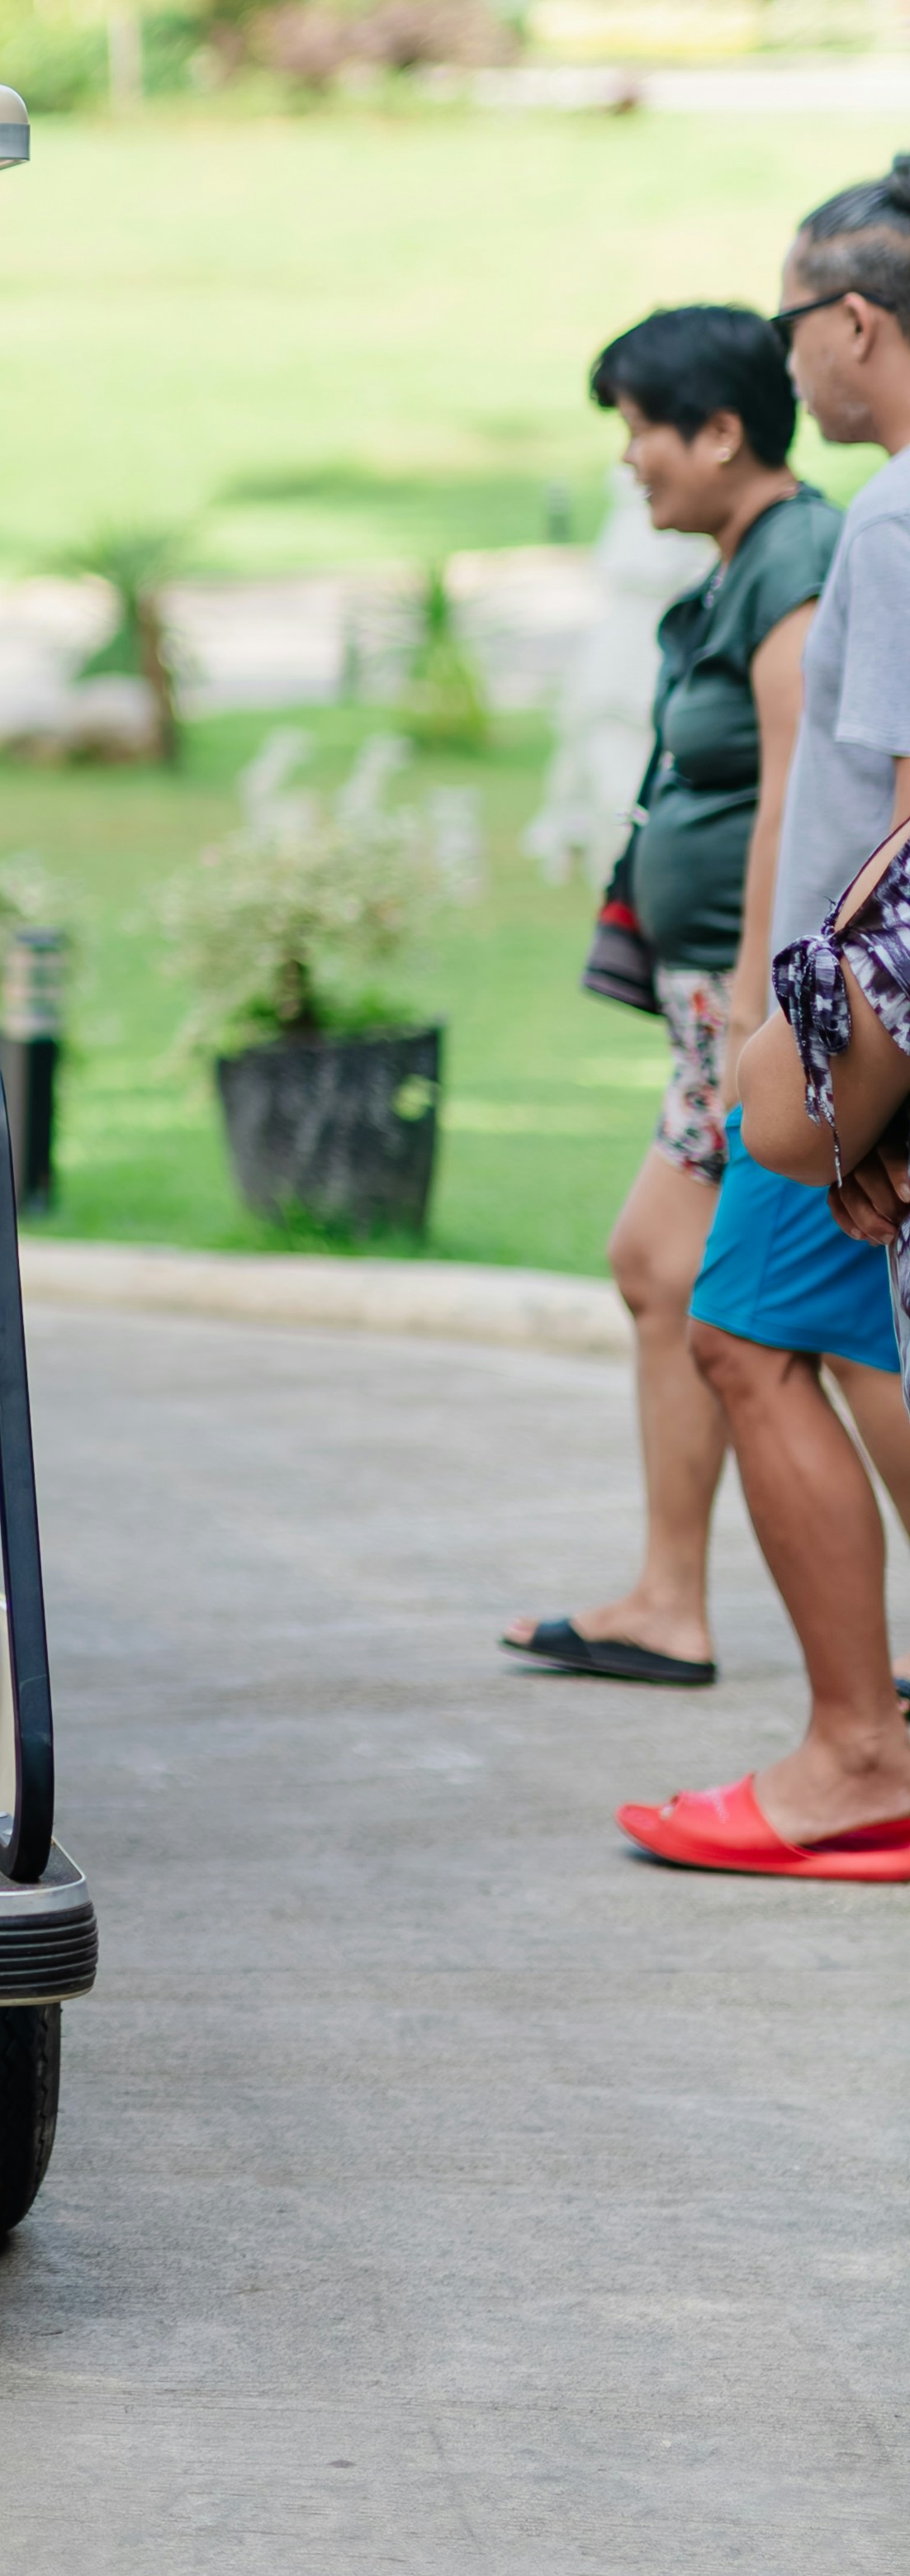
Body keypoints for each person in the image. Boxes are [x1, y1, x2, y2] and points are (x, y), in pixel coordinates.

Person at [614, 165, 910, 1865]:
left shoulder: (883, 520)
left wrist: (820, 1069)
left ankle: (853, 1759)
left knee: (736, 1331)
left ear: (856, 321)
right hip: (859, 1022)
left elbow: (896, 834)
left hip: (855, 1017)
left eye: (795, 323)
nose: (788, 360)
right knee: (841, 1340)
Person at [501, 306, 832, 1685]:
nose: (632, 458)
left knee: (811, 1323)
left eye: (646, 428)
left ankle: (687, 1605)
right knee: (659, 1267)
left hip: (760, 1005)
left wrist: (760, 1000)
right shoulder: (745, 561)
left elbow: (799, 791)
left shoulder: (798, 561)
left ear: (723, 431)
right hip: (715, 998)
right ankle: (668, 1600)